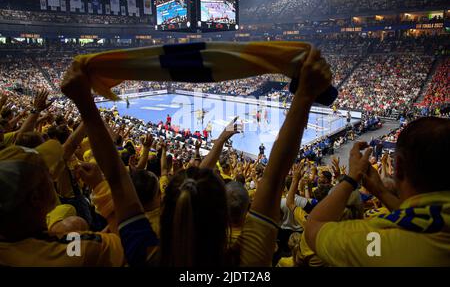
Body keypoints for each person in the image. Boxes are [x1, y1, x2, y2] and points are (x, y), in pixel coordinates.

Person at [60, 46, 332, 267]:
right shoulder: (249, 259)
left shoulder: (146, 254)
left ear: (165, 211)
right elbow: (274, 176)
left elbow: (117, 179)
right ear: (224, 217)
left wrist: (85, 103)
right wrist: (305, 94)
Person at [304, 117, 450, 266]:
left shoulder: (379, 239)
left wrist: (351, 178)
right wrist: (381, 192)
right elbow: (419, 218)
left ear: (398, 167)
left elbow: (314, 227)